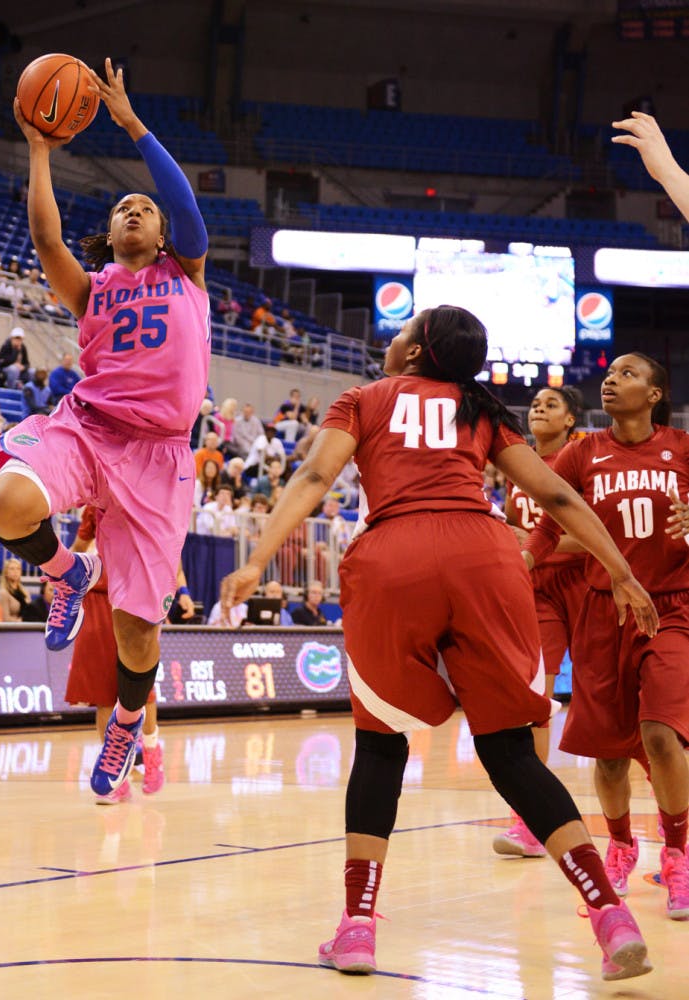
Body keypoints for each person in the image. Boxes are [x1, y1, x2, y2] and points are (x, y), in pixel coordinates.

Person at [220, 304, 659, 982]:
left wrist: (256, 559)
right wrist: (621, 571)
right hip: (484, 558)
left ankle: (357, 928)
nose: (389, 340)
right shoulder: (479, 408)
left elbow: (312, 479)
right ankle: (609, 914)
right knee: (510, 751)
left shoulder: (362, 397)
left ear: (417, 352)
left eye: (400, 332)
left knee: (379, 744)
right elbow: (557, 497)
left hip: (395, 557)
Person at [0, 57, 210, 801]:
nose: (137, 211)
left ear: (163, 231)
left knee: (139, 631)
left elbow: (185, 206)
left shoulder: (187, 272)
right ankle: (68, 573)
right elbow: (47, 241)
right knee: (8, 504)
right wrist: (41, 151)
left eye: (146, 208)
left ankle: (126, 721)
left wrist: (132, 125)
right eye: (123, 208)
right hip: (88, 427)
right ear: (110, 233)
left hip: (158, 458)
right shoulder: (94, 289)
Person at [524, 353, 689, 919]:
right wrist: (521, 559)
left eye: (629, 374)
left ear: (656, 393)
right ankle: (620, 845)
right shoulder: (584, 451)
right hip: (602, 610)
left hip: (672, 605)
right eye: (611, 373)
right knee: (609, 753)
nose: (613, 380)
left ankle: (678, 854)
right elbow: (551, 517)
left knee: (661, 734)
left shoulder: (683, 449)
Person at [493, 386, 588, 859]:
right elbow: (518, 535)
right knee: (536, 699)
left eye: (551, 405)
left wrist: (534, 542)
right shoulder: (519, 465)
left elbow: (594, 537)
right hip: (540, 594)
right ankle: (530, 823)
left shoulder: (583, 460)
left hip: (589, 588)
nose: (538, 409)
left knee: (617, 706)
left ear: (571, 420)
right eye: (535, 404)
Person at [65, 505, 195, 801]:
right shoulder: (96, 504)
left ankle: (151, 753)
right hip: (97, 597)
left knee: (140, 687)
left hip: (137, 594)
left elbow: (171, 555)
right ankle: (114, 770)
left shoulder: (152, 502)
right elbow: (79, 547)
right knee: (102, 692)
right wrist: (61, 574)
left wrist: (183, 592)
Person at [0, 556, 36, 622]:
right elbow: (5, 619)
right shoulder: (3, 593)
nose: (15, 571)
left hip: (27, 627)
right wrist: (22, 621)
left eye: (18, 569)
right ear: (6, 572)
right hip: (12, 629)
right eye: (12, 569)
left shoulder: (25, 592)